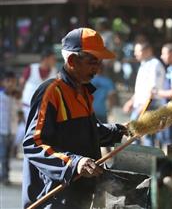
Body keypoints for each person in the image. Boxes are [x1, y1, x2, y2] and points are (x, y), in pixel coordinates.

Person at [22, 28, 128, 209]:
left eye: (99, 62)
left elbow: (88, 133)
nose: (97, 68)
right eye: (92, 62)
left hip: (79, 195)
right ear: (72, 61)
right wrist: (74, 163)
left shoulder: (83, 91)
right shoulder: (51, 92)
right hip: (53, 197)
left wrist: (121, 130)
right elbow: (33, 144)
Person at [123, 42, 165, 146]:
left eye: (138, 51)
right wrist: (131, 101)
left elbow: (153, 89)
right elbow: (141, 88)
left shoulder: (155, 64)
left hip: (150, 105)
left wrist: (143, 107)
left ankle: (147, 160)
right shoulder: (144, 64)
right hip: (140, 104)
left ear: (148, 51)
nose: (136, 54)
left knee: (146, 136)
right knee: (134, 134)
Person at [20, 48, 57, 121]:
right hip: (27, 108)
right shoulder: (31, 68)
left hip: (44, 109)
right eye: (53, 59)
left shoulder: (54, 71)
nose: (55, 61)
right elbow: (21, 83)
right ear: (46, 59)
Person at [0, 71, 17, 185]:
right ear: (3, 83)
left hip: (12, 131)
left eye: (13, 82)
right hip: (1, 130)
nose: (10, 84)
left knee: (7, 155)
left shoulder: (17, 98)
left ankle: (4, 175)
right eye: (8, 81)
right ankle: (4, 176)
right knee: (3, 155)